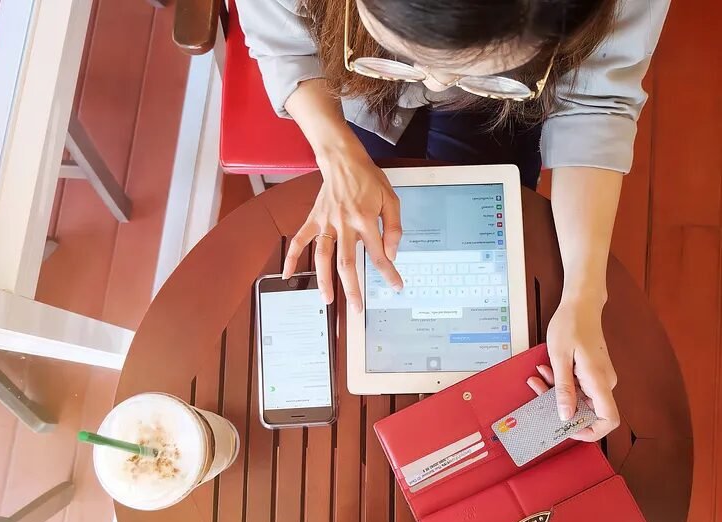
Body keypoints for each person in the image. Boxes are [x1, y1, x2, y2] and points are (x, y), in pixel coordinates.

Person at [235, 0, 670, 441]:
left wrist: (584, 295)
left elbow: (595, 106)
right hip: (359, 85)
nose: (437, 84)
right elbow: (281, 39)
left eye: (468, 66)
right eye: (414, 58)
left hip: (504, 105)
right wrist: (336, 153)